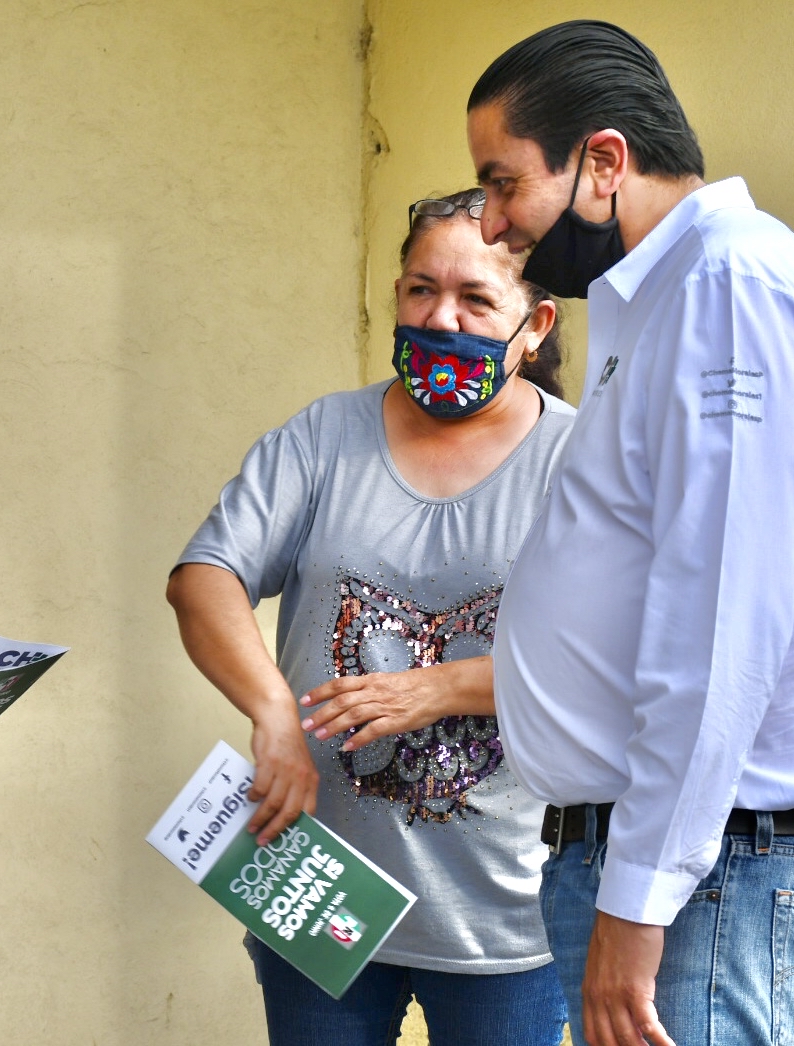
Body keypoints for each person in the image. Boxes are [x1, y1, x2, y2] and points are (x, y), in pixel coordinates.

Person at [466, 21, 794, 1046]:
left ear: (602, 161)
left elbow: (721, 615)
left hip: (705, 879)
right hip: (681, 869)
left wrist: (639, 898)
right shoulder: (678, 292)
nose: (491, 222)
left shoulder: (727, 289)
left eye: (502, 183)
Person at [167, 188, 572, 1046]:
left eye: (476, 299)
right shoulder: (323, 437)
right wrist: (273, 714)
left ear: (535, 325)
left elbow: (622, 661)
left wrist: (442, 688)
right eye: (422, 289)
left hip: (510, 914)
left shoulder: (582, 461)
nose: (442, 318)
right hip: (317, 886)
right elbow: (205, 577)